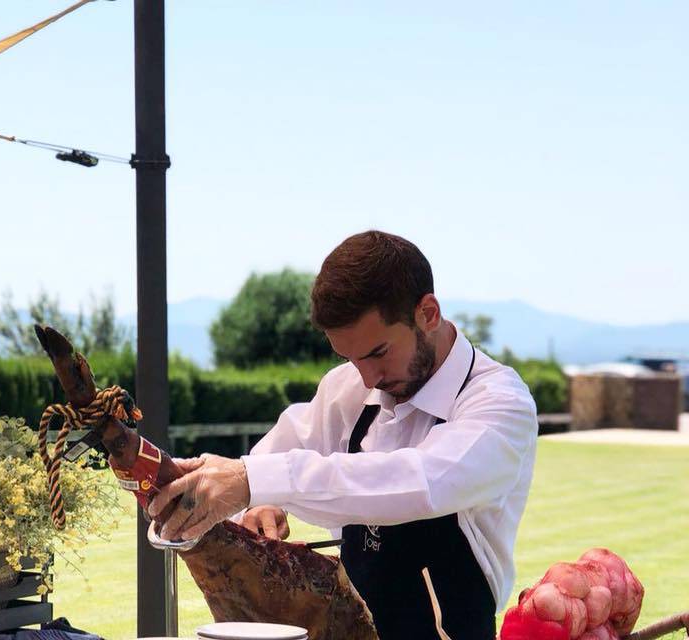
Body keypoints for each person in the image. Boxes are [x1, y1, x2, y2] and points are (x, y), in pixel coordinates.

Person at [147, 230, 538, 639]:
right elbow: (276, 455)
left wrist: (253, 482)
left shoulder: (499, 403)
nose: (368, 376)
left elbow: (421, 481)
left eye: (378, 353)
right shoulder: (347, 388)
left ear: (428, 313)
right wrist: (259, 504)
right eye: (350, 359)